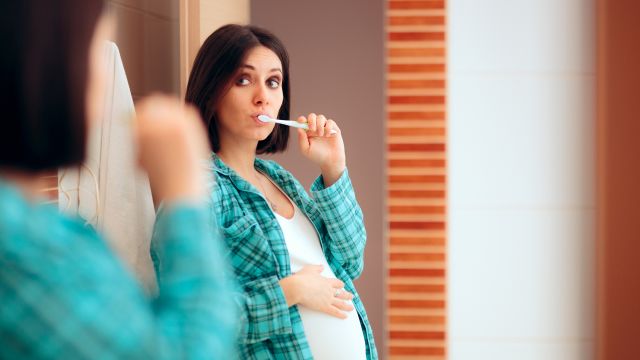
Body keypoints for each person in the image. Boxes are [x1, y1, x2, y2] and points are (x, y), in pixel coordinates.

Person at [0, 1, 237, 358]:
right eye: (97, 47)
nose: (105, 75)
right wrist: (184, 194)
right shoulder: (23, 248)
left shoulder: (41, 234)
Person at [185, 24, 378, 359]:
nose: (263, 96)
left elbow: (349, 261)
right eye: (243, 80)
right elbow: (195, 320)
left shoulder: (280, 179)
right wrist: (291, 290)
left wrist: (334, 169)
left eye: (273, 82)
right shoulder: (198, 188)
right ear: (212, 90)